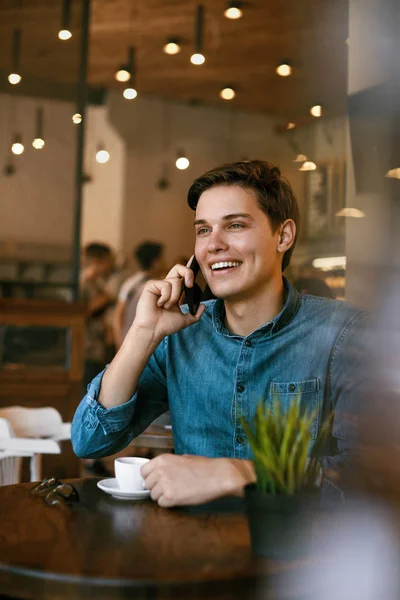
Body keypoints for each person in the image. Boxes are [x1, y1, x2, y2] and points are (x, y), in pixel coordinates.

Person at [72, 160, 367, 507]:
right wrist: (143, 332)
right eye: (203, 230)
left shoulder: (345, 334)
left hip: (299, 555)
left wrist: (236, 473)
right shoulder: (180, 336)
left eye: (235, 225)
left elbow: (366, 479)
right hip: (195, 548)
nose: (213, 245)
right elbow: (89, 441)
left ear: (283, 236)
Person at [113, 241, 166, 348]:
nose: (165, 262)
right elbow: (118, 315)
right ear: (155, 261)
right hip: (143, 344)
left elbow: (118, 317)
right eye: (162, 258)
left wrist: (120, 345)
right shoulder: (160, 286)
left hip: (132, 343)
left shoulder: (129, 283)